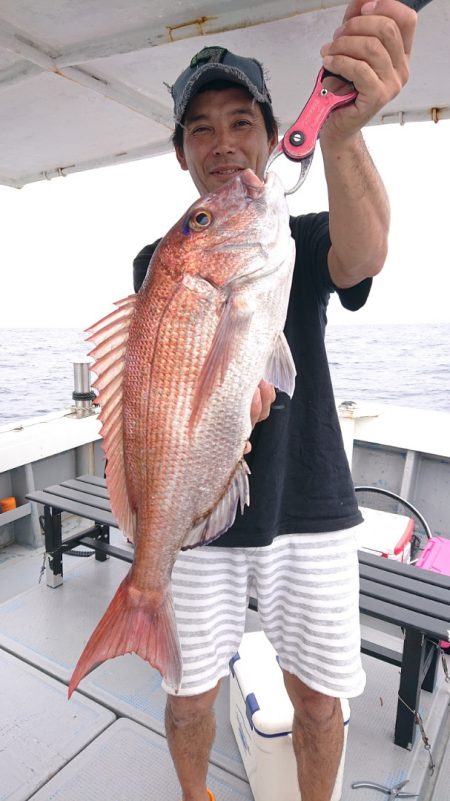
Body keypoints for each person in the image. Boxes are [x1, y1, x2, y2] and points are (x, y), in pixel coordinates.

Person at [133, 2, 418, 799]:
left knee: (321, 701)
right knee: (188, 693)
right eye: (200, 129)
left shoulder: (296, 233)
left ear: (268, 135)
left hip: (310, 496)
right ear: (182, 153)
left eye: (240, 122)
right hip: (199, 507)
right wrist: (227, 400)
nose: (223, 143)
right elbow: (159, 397)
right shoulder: (162, 259)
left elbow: (364, 254)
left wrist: (344, 136)